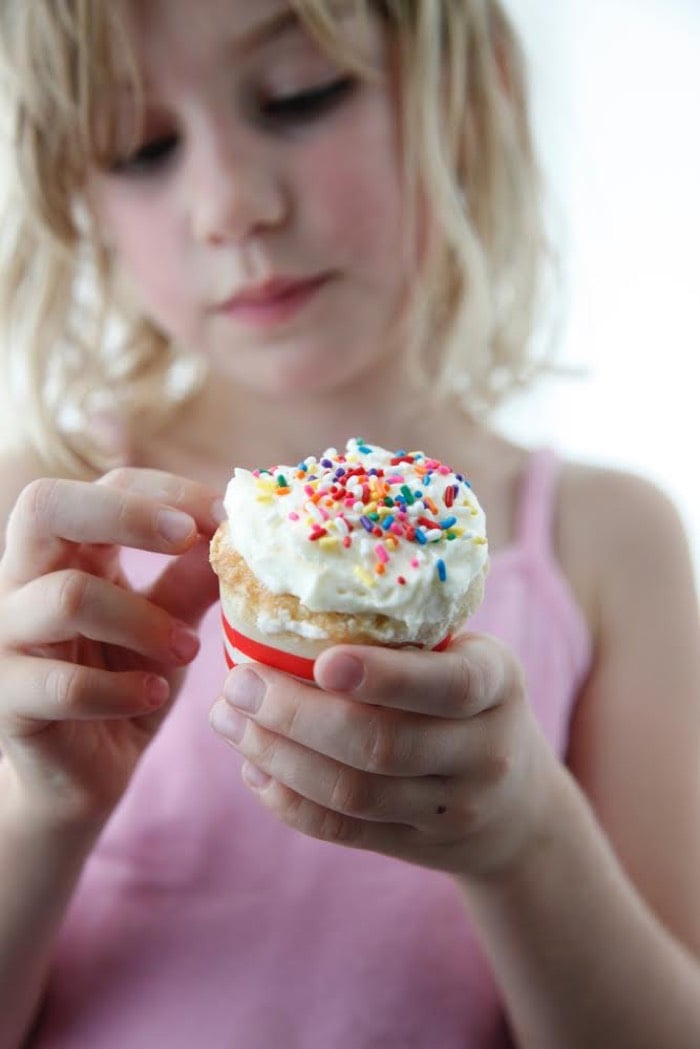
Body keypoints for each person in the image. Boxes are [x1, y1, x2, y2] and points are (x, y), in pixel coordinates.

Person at [0, 1, 699, 1046]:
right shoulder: (42, 542)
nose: (230, 204)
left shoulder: (602, 542)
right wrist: (46, 812)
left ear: (472, 96)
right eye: (139, 147)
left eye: (300, 96)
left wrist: (523, 838)